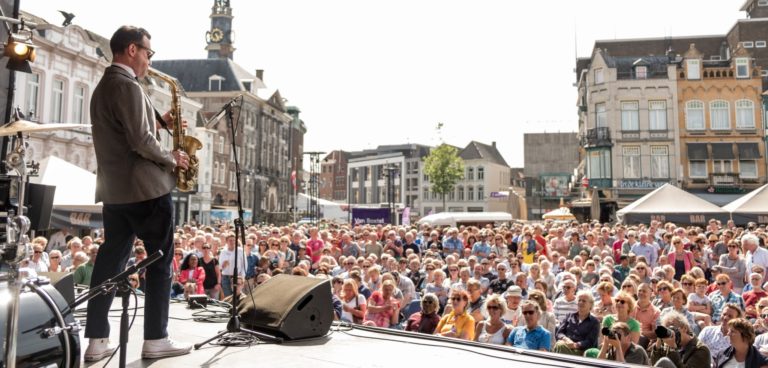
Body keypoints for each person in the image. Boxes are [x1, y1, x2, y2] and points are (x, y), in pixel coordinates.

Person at [85, 25, 192, 361]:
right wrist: (172, 157)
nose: (149, 59)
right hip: (146, 190)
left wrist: (160, 121)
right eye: (148, 52)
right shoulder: (128, 85)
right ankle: (156, 338)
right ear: (132, 50)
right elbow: (140, 142)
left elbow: (126, 132)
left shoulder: (104, 86)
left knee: (109, 263)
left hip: (115, 191)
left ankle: (96, 341)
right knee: (160, 262)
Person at [552, 291, 600, 356]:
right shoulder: (569, 316)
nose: (580, 302)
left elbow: (590, 341)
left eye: (584, 301)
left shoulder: (594, 322)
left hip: (581, 351)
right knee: (560, 344)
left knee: (560, 345)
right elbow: (559, 333)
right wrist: (566, 339)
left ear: (591, 304)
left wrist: (576, 345)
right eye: (579, 300)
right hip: (566, 344)